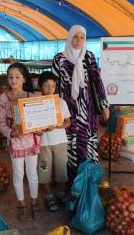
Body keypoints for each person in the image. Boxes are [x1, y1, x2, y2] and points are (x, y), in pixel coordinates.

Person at [52, 25, 110, 184]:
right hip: (67, 109)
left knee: (87, 142)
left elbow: (98, 82)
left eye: (82, 37)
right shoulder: (59, 59)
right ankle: (71, 183)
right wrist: (52, 109)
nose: (78, 41)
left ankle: (88, 182)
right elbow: (54, 86)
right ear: (70, 37)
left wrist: (104, 105)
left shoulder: (89, 57)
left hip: (87, 109)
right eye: (75, 37)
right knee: (70, 145)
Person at [0, 62, 43, 222]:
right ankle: (22, 204)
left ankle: (35, 202)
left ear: (24, 79)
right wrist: (11, 133)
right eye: (10, 77)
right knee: (18, 173)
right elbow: (1, 123)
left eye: (17, 76)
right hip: (15, 143)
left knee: (32, 173)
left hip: (31, 141)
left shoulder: (32, 97)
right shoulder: (3, 98)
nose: (13, 79)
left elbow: (39, 121)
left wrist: (42, 129)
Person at [37, 71, 71, 212]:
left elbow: (68, 122)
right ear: (40, 87)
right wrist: (40, 129)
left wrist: (58, 126)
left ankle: (61, 193)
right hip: (43, 143)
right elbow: (32, 123)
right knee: (44, 169)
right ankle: (49, 195)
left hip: (60, 141)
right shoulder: (36, 103)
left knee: (61, 167)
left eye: (53, 86)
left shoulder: (61, 102)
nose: (50, 89)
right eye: (46, 86)